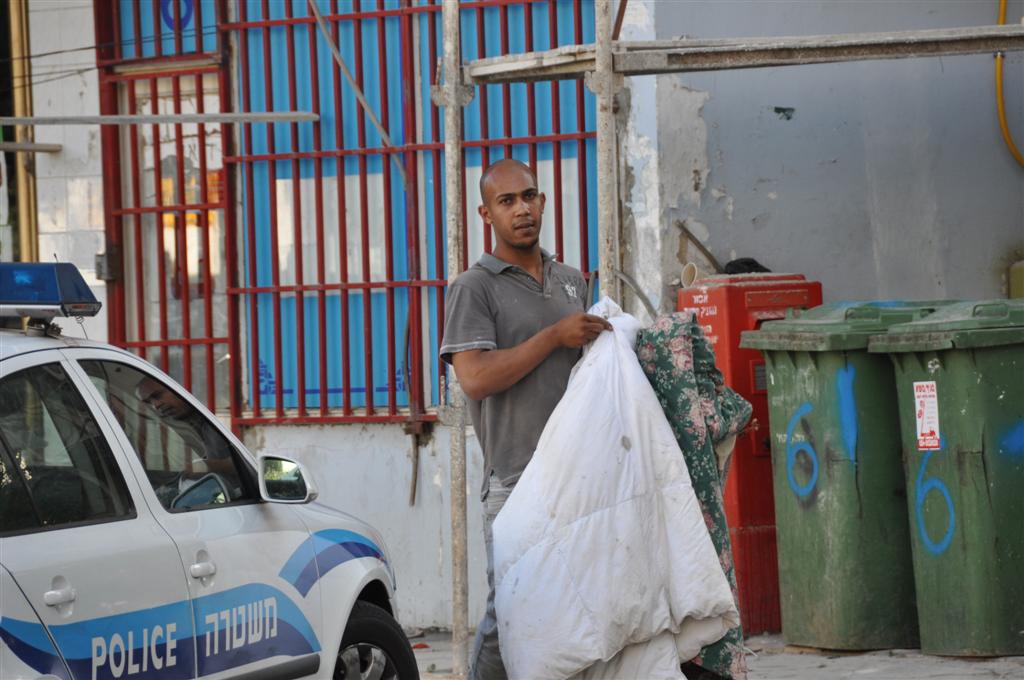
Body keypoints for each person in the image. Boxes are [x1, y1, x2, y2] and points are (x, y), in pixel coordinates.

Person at [440, 158, 612, 680]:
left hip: (576, 476)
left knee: (578, 610)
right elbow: (475, 378)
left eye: (529, 197)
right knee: (508, 614)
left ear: (543, 202)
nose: (522, 209)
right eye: (507, 201)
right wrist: (553, 338)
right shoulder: (474, 287)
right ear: (485, 213)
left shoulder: (569, 281)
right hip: (515, 479)